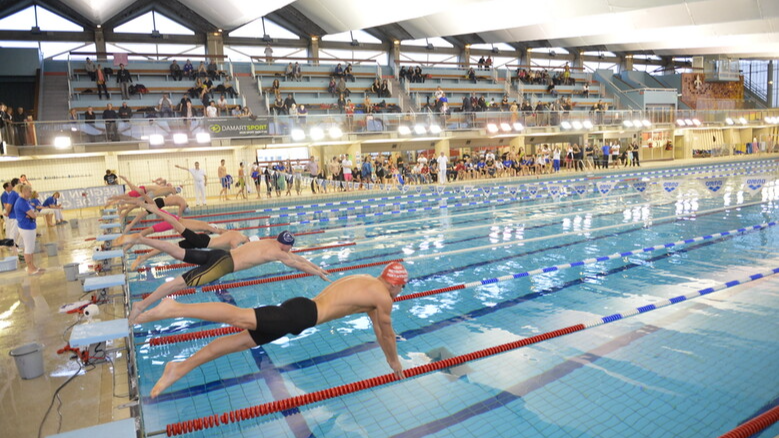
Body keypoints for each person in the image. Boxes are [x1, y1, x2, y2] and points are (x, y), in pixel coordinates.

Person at [139, 262, 408, 397]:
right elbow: (384, 331)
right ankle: (176, 308)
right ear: (395, 284)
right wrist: (394, 362)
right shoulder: (383, 297)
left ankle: (179, 367)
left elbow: (380, 327)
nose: (399, 293)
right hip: (300, 315)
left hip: (300, 312)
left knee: (240, 342)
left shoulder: (368, 283)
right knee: (240, 317)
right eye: (401, 288)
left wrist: (390, 344)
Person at [126, 229, 330, 324]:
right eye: (290, 246)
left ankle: (142, 239)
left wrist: (318, 268)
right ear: (286, 245)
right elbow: (297, 265)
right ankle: (140, 306)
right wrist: (318, 274)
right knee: (176, 285)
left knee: (178, 253)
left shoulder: (269, 243)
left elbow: (299, 259)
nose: (290, 249)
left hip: (220, 255)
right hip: (223, 265)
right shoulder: (278, 253)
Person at [14, 184, 43, 274]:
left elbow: (33, 213)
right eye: (29, 191)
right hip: (26, 227)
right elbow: (34, 215)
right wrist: (33, 215)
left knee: (31, 248)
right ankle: (30, 268)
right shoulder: (21, 202)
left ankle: (32, 266)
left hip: (29, 226)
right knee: (28, 248)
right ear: (24, 192)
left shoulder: (26, 201)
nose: (31, 193)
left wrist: (32, 215)